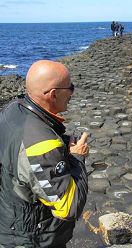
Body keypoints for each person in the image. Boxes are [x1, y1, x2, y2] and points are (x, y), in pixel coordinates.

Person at [0, 60, 89, 247]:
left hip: (9, 217)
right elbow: (68, 207)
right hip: (32, 237)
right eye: (70, 87)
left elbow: (17, 155)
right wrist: (77, 158)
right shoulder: (41, 145)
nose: (73, 92)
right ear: (53, 94)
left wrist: (62, 145)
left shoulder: (13, 109)